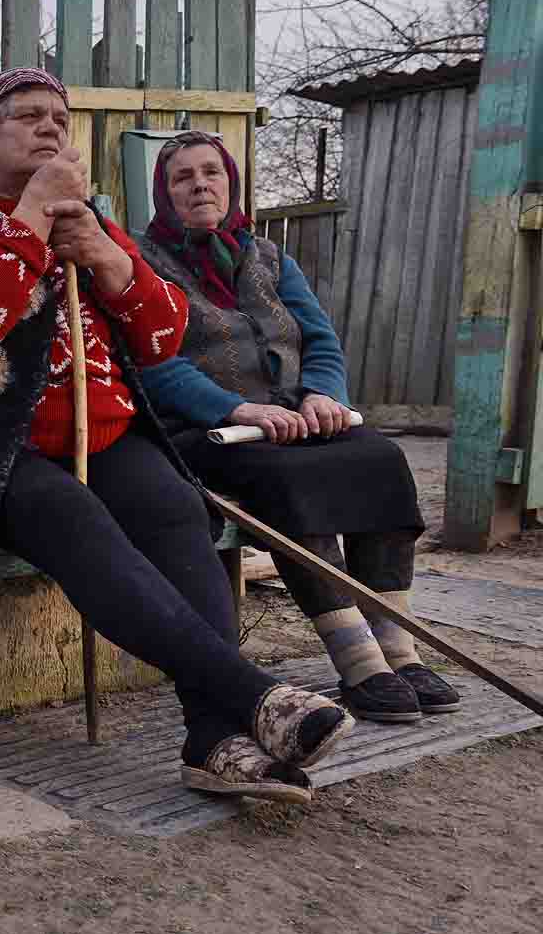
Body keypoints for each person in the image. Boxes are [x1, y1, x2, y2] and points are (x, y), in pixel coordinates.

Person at [0, 69, 355, 804]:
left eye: (59, 119)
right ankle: (254, 694)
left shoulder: (84, 218)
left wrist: (104, 252)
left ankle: (210, 738)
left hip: (106, 435)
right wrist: (29, 216)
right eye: (26, 116)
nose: (49, 129)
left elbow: (165, 333)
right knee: (78, 520)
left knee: (176, 507)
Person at [134, 130, 456, 723]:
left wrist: (322, 396)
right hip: (210, 430)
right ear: (164, 193)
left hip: (297, 418)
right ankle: (358, 660)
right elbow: (152, 363)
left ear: (230, 184)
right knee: (289, 477)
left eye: (212, 173)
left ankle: (399, 649)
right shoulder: (141, 263)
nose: (200, 185)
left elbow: (319, 340)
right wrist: (238, 409)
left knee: (380, 459)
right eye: (183, 177)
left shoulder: (269, 258)